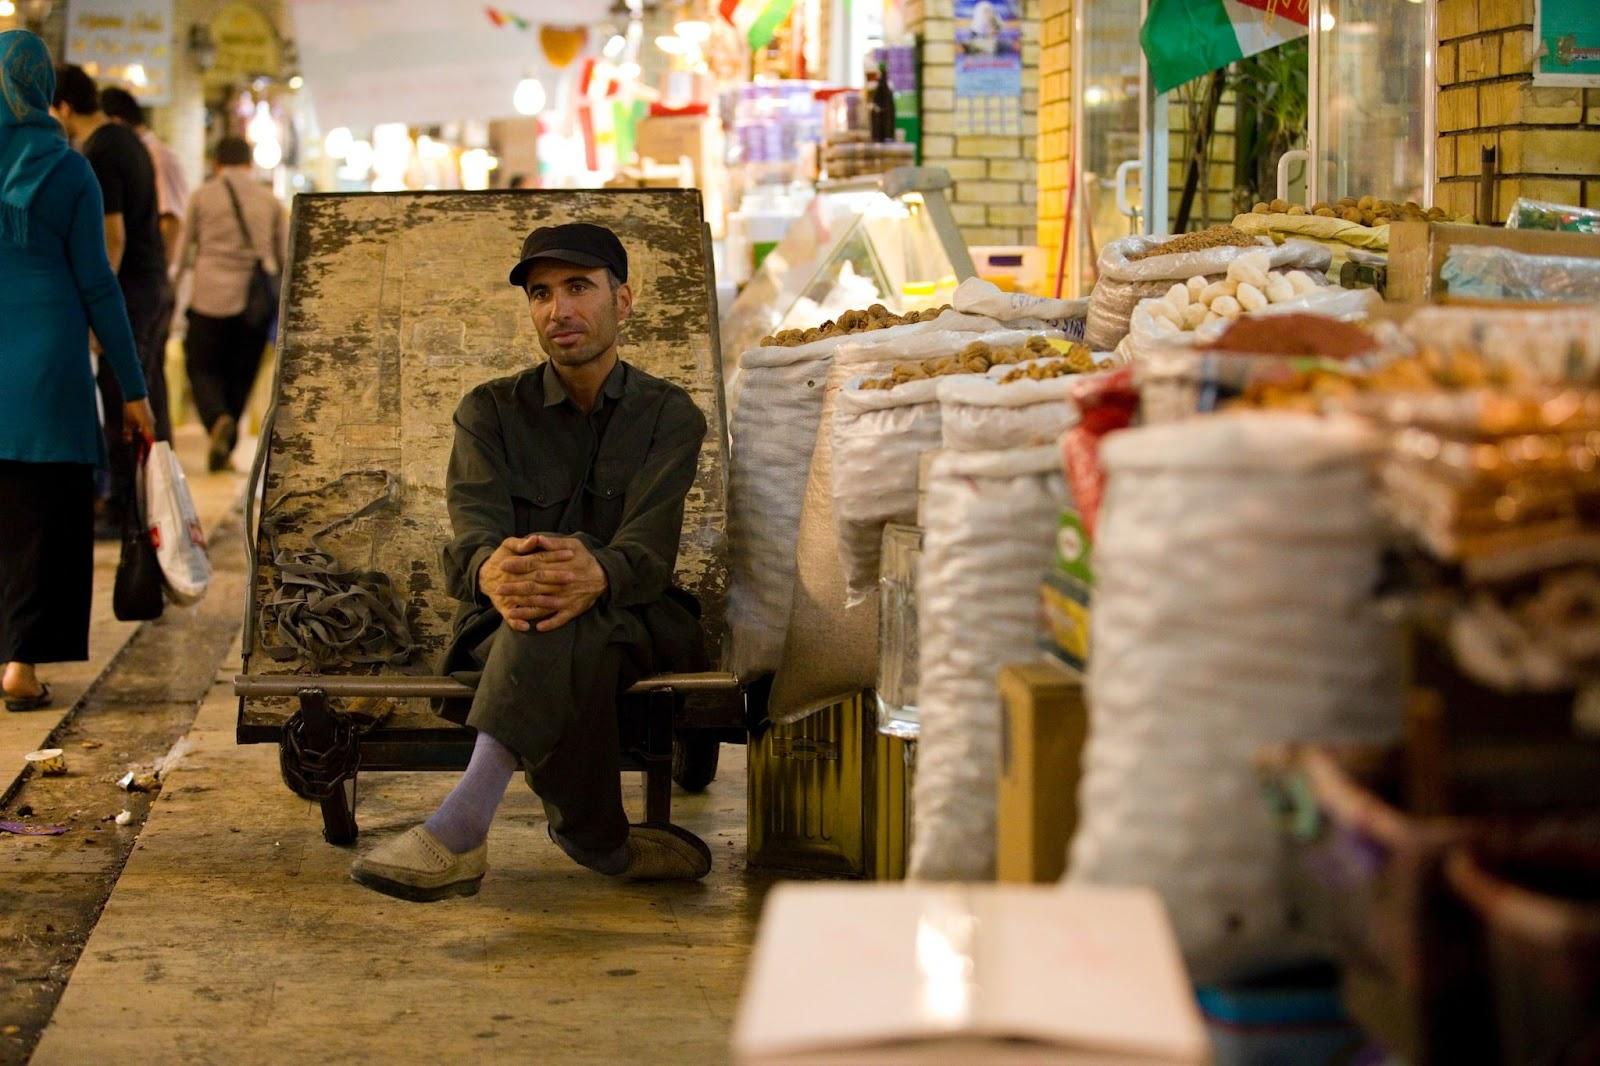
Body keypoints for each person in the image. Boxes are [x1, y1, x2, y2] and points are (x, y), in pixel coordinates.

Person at [350, 223, 714, 901]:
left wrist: (596, 574)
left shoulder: (669, 414)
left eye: (579, 287)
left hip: (638, 618)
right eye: (542, 294)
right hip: (506, 620)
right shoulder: (488, 412)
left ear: (623, 300)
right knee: (553, 621)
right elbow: (471, 543)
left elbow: (649, 555)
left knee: (567, 618)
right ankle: (601, 841)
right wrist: (493, 570)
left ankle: (462, 829)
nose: (559, 310)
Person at [0, 31, 156, 712]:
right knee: (44, 515)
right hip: (52, 360)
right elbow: (98, 284)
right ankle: (21, 666)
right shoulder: (68, 171)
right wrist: (134, 387)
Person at [50, 63, 171, 533]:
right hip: (151, 283)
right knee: (141, 392)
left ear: (61, 106)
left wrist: (100, 304)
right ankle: (142, 504)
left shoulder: (98, 151)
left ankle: (126, 507)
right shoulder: (128, 139)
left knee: (124, 396)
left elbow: (112, 235)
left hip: (130, 291)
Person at [178, 135, 284, 471]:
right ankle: (228, 433)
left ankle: (216, 419)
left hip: (208, 295)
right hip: (254, 302)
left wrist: (172, 289)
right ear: (250, 163)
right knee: (242, 373)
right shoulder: (269, 201)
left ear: (216, 162)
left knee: (201, 364)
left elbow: (182, 253)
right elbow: (285, 257)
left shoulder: (202, 196)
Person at [100, 86, 187, 272]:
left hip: (148, 274)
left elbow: (171, 220)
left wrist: (161, 272)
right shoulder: (140, 151)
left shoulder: (157, 155)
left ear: (116, 121)